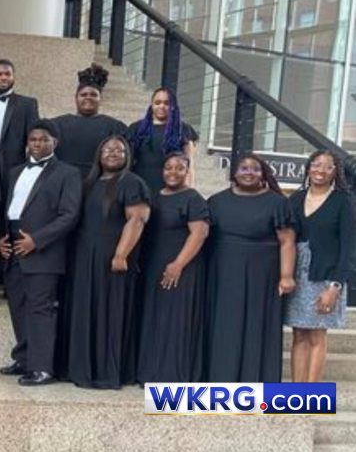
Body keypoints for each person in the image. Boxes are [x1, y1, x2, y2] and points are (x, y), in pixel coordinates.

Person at [0, 120, 82, 386]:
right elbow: (9, 208)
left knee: (40, 310)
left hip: (43, 252)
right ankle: (24, 359)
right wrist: (1, 237)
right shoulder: (15, 171)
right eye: (33, 140)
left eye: (43, 139)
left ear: (54, 142)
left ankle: (42, 368)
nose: (37, 144)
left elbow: (69, 215)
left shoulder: (68, 173)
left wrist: (37, 240)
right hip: (12, 247)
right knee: (18, 307)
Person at [66, 135, 150, 389]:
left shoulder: (132, 182)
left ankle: (104, 371)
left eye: (119, 150)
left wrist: (121, 254)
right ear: (99, 154)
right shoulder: (89, 182)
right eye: (107, 149)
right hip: (83, 255)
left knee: (108, 312)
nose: (113, 153)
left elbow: (136, 220)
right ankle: (82, 369)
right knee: (85, 310)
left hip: (112, 256)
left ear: (127, 156)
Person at [205, 153, 296, 383]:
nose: (248, 172)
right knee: (224, 323)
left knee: (256, 324)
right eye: (243, 168)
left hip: (262, 272)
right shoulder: (215, 201)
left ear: (263, 174)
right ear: (234, 173)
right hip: (224, 269)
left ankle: (255, 380)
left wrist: (286, 276)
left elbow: (287, 241)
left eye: (254, 169)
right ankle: (220, 378)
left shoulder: (278, 202)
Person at [136, 153, 209, 383]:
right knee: (155, 318)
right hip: (154, 267)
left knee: (175, 320)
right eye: (168, 167)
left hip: (181, 268)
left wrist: (178, 264)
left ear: (187, 171)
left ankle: (171, 375)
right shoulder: (155, 197)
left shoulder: (193, 198)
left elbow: (200, 233)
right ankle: (151, 372)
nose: (173, 172)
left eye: (179, 168)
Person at [285, 151, 354, 382]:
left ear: (335, 172)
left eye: (327, 166)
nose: (320, 170)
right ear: (308, 168)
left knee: (316, 335)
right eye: (316, 165)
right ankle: (295, 395)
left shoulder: (342, 202)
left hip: (325, 278)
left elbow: (347, 249)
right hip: (297, 276)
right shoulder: (295, 199)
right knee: (299, 334)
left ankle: (311, 396)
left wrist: (335, 286)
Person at [0, 59, 40, 293]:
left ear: (13, 77)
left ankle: (6, 281)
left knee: (7, 222)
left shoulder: (26, 104)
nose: (3, 78)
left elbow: (33, 138)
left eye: (7, 74)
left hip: (12, 172)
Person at [127, 87, 199, 193]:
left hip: (171, 188)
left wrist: (189, 192)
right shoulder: (136, 128)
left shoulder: (183, 129)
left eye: (167, 103)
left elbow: (189, 164)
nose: (162, 106)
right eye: (157, 102)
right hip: (139, 187)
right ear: (152, 105)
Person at [52, 83, 127, 179]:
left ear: (100, 99)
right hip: (62, 180)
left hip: (99, 182)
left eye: (94, 95)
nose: (88, 97)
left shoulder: (115, 127)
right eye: (83, 94)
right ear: (76, 98)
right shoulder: (56, 124)